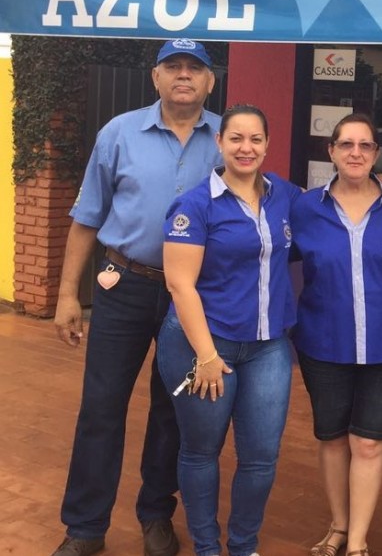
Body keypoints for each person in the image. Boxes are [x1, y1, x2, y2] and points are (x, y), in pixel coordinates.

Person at [51, 39, 222, 556]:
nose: (184, 75)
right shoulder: (119, 133)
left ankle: (156, 515)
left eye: (194, 68)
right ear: (156, 77)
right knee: (101, 407)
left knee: (172, 410)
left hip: (190, 297)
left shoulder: (226, 139)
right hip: (122, 285)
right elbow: (87, 217)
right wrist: (67, 295)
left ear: (210, 81)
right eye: (173, 66)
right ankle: (85, 528)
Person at [156, 104, 301, 556]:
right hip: (204, 344)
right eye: (236, 138)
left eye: (255, 139)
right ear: (219, 142)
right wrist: (206, 356)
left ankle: (243, 547)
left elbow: (337, 199)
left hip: (267, 347)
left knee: (261, 457)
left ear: (267, 144)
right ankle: (206, 548)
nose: (246, 148)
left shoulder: (284, 195)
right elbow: (180, 284)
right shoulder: (196, 204)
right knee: (201, 451)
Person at [291, 113, 382, 556]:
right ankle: (339, 526)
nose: (356, 153)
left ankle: (358, 541)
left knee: (367, 442)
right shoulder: (305, 208)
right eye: (346, 144)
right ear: (331, 151)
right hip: (324, 343)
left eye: (365, 145)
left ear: (377, 153)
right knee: (331, 438)